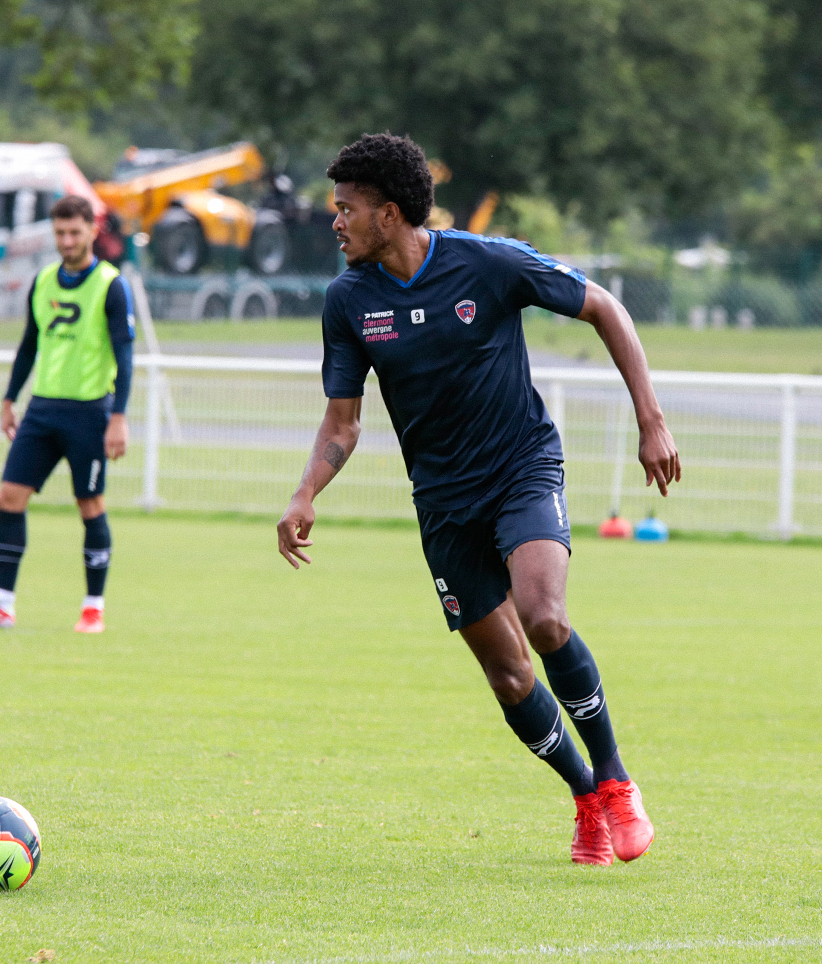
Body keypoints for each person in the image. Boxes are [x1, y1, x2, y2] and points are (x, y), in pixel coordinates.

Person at [276, 133, 680, 866]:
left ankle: (618, 780)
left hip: (522, 468)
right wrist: (306, 493)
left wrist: (651, 421)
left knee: (544, 618)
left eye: (346, 209)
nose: (335, 223)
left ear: (390, 214)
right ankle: (586, 796)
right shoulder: (348, 301)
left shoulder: (487, 263)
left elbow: (605, 309)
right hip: (442, 503)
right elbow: (343, 420)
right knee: (509, 674)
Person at [0, 195, 135, 634]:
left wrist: (118, 417)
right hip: (42, 411)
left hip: (89, 413)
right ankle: (0, 603)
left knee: (89, 504)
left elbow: (125, 358)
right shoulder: (43, 281)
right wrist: (9, 398)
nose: (67, 241)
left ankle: (93, 608)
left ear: (92, 231)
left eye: (74, 232)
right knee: (8, 498)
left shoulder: (111, 285)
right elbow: (29, 344)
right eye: (60, 233)